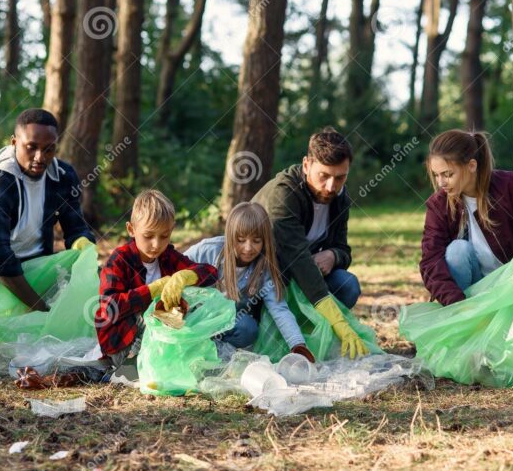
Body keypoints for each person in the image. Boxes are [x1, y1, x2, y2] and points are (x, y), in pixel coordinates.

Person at [0, 108, 95, 360]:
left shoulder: (63, 176)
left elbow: (76, 226)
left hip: (40, 264)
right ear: (14, 143)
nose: (40, 157)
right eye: (31, 147)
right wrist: (39, 308)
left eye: (49, 149)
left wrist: (82, 244)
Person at [252, 127, 368, 359]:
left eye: (340, 177)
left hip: (302, 279)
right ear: (306, 165)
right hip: (264, 280)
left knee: (348, 284)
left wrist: (333, 255)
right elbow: (298, 259)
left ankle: (315, 335)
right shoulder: (284, 194)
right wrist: (339, 321)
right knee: (245, 330)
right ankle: (274, 335)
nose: (331, 186)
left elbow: (343, 249)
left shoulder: (340, 198)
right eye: (323, 176)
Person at [95, 190, 218, 381]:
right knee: (149, 312)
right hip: (123, 342)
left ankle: (175, 360)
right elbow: (109, 307)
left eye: (164, 236)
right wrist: (152, 289)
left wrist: (186, 276)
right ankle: (128, 367)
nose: (156, 244)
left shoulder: (168, 257)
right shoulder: (119, 260)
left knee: (193, 305)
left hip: (160, 337)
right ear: (131, 229)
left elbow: (210, 273)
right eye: (148, 236)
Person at [420, 129, 513, 305]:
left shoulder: (511, 186)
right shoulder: (439, 204)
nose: (441, 183)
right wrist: (455, 303)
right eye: (436, 175)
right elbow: (431, 260)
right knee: (457, 250)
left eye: (447, 174)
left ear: (471, 166)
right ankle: (463, 317)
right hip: (471, 290)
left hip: (510, 282)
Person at [184, 202, 315, 362]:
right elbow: (176, 268)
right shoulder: (208, 250)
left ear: (265, 241)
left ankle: (216, 351)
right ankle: (195, 347)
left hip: (228, 324)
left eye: (256, 241)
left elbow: (279, 309)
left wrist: (298, 345)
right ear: (230, 235)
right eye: (240, 240)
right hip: (197, 317)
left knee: (248, 328)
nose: (248, 248)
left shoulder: (264, 268)